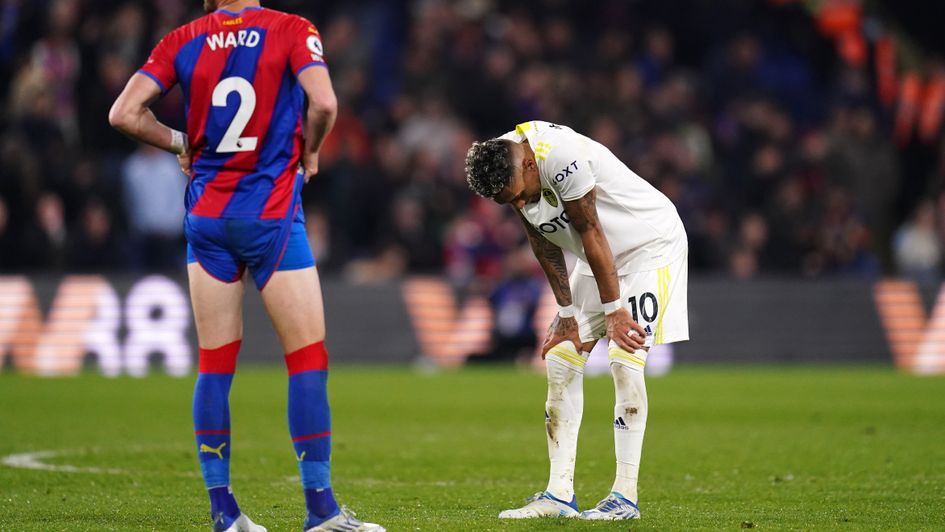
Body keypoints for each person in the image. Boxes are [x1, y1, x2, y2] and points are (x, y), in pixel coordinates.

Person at [108, 1, 384, 531]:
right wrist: (311, 151)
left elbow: (122, 113)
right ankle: (321, 510)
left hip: (208, 217)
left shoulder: (182, 39)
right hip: (270, 214)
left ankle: (224, 513)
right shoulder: (290, 29)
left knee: (214, 365)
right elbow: (324, 103)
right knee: (306, 359)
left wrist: (179, 142)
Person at [464, 120, 689, 520]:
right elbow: (541, 239)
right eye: (506, 202)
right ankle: (558, 495)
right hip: (598, 255)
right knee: (560, 357)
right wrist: (566, 314)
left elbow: (588, 228)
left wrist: (615, 310)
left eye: (516, 195)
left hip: (647, 246)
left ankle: (625, 498)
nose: (516, 204)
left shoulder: (561, 155)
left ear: (529, 167)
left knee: (625, 355)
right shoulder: (504, 162)